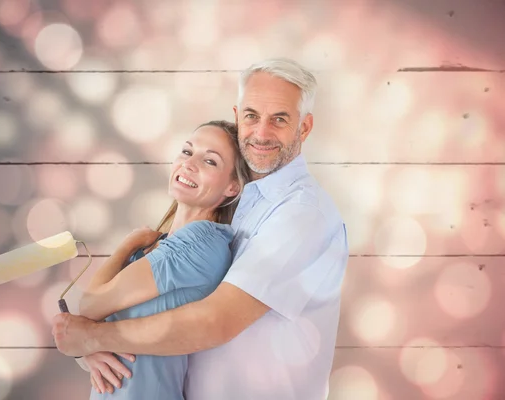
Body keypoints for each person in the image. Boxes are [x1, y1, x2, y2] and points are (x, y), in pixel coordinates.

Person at [53, 58, 349, 400]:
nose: (262, 133)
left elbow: (215, 321)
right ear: (238, 117)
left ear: (305, 127)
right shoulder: (240, 204)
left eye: (279, 119)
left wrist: (92, 338)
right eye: (252, 116)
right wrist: (88, 346)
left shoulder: (301, 214)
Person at [74, 120, 250, 399]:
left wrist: (127, 243)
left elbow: (89, 304)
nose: (189, 164)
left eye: (210, 161)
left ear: (232, 187)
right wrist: (86, 349)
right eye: (187, 151)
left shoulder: (202, 242)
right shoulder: (159, 244)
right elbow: (88, 324)